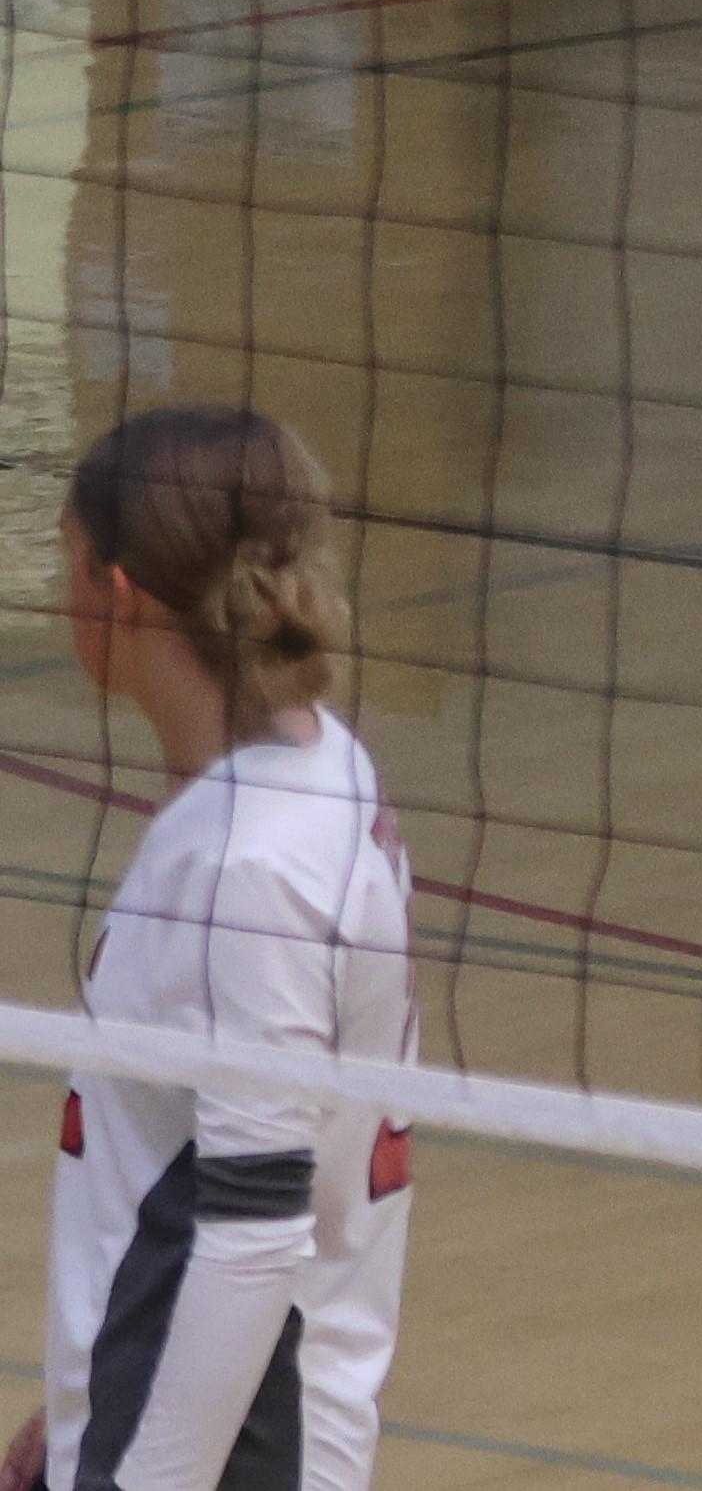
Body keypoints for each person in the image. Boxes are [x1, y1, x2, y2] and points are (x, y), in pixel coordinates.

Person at [1, 408, 415, 1491]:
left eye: (71, 561)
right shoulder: (314, 766)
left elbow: (251, 1232)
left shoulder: (252, 869)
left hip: (235, 1444)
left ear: (120, 591)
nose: (63, 594)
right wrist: (91, 1398)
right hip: (207, 1405)